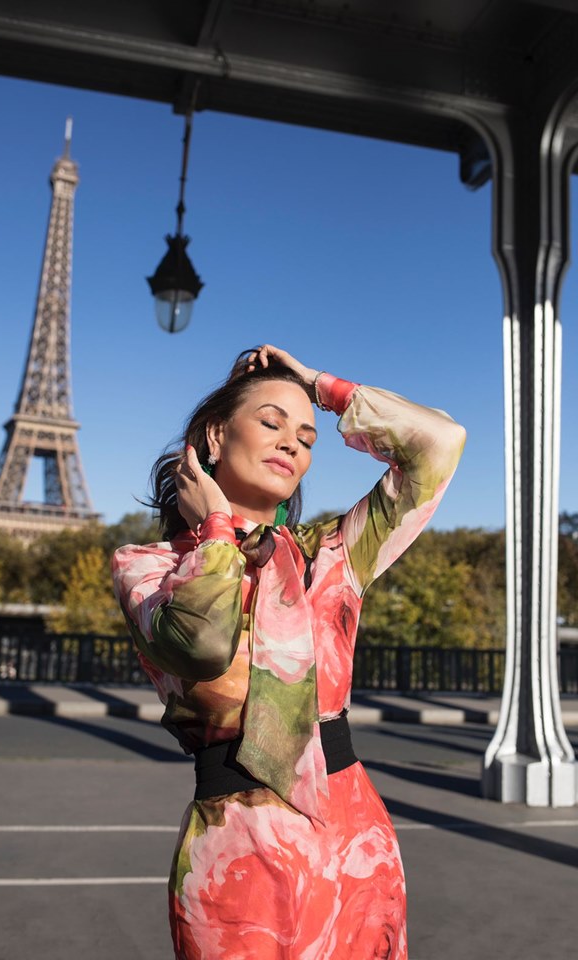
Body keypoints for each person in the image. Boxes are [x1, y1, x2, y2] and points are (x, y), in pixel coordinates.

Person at [112, 345, 466, 960]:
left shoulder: (329, 554)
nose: (292, 444)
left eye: (307, 436)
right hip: (238, 849)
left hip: (356, 838)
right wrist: (217, 532)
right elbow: (201, 646)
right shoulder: (150, 567)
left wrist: (317, 383)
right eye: (272, 422)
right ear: (216, 437)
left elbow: (440, 442)